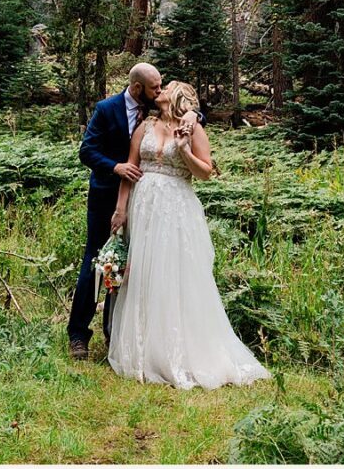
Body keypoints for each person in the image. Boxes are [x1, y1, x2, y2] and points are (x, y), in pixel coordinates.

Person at [106, 80, 271, 389]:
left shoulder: (192, 129)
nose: (161, 90)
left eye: (166, 86)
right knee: (144, 273)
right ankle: (142, 349)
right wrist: (121, 209)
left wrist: (183, 150)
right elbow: (131, 168)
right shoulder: (145, 126)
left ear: (178, 95)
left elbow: (206, 172)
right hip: (144, 205)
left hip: (176, 207)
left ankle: (176, 351)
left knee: (174, 274)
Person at [68, 62, 199, 361]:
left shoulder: (155, 108)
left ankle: (114, 332)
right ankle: (78, 335)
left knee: (130, 264)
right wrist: (115, 166)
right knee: (96, 262)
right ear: (138, 88)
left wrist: (193, 114)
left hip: (143, 200)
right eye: (155, 86)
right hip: (105, 195)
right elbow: (86, 151)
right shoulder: (107, 109)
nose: (159, 90)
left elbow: (184, 106)